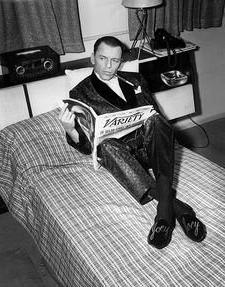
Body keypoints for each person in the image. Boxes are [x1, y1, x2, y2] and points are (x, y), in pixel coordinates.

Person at [59, 36, 206, 249]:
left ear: (121, 61)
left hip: (150, 148)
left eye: (115, 60)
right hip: (121, 155)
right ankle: (178, 210)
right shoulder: (80, 93)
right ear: (93, 58)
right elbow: (87, 147)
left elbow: (155, 115)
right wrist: (71, 130)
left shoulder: (135, 80)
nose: (109, 66)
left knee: (156, 120)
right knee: (105, 146)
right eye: (103, 58)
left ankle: (164, 212)